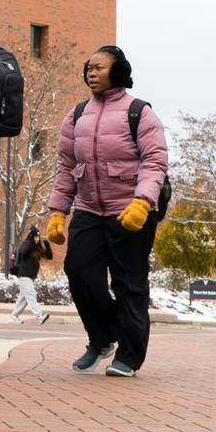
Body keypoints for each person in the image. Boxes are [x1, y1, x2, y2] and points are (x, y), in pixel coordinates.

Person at [46, 45, 169, 377]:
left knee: (129, 283)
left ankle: (129, 356)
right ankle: (102, 339)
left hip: (129, 210)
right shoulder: (76, 115)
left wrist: (142, 202)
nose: (92, 72)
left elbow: (155, 162)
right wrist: (58, 211)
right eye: (89, 67)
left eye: (99, 67)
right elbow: (66, 167)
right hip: (89, 209)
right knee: (78, 271)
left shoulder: (140, 113)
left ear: (118, 71)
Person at [9, 225, 52, 324]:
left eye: (38, 237)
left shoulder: (37, 248)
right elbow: (22, 252)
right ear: (31, 237)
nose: (37, 239)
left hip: (31, 276)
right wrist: (29, 240)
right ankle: (40, 315)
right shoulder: (26, 245)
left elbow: (49, 257)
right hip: (23, 275)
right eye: (35, 237)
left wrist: (47, 245)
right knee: (31, 294)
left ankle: (14, 316)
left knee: (23, 298)